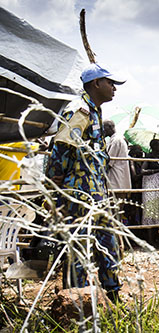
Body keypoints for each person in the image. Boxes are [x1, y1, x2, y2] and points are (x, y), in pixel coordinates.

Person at [45, 63, 124, 302]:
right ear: (95, 84)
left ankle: (112, 294)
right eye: (110, 83)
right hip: (78, 193)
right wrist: (55, 181)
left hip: (95, 192)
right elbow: (62, 147)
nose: (114, 89)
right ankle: (76, 301)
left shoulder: (95, 112)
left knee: (106, 242)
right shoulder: (79, 111)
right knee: (78, 245)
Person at [103, 119, 131, 223]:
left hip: (116, 182)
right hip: (119, 181)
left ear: (110, 127)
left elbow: (109, 162)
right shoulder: (117, 139)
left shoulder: (116, 141)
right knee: (116, 213)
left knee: (113, 213)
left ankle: (116, 238)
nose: (103, 131)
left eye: (104, 128)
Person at [141, 138, 159, 245]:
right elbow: (142, 171)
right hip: (151, 187)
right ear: (154, 147)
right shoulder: (148, 157)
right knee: (151, 210)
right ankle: (151, 241)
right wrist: (157, 170)